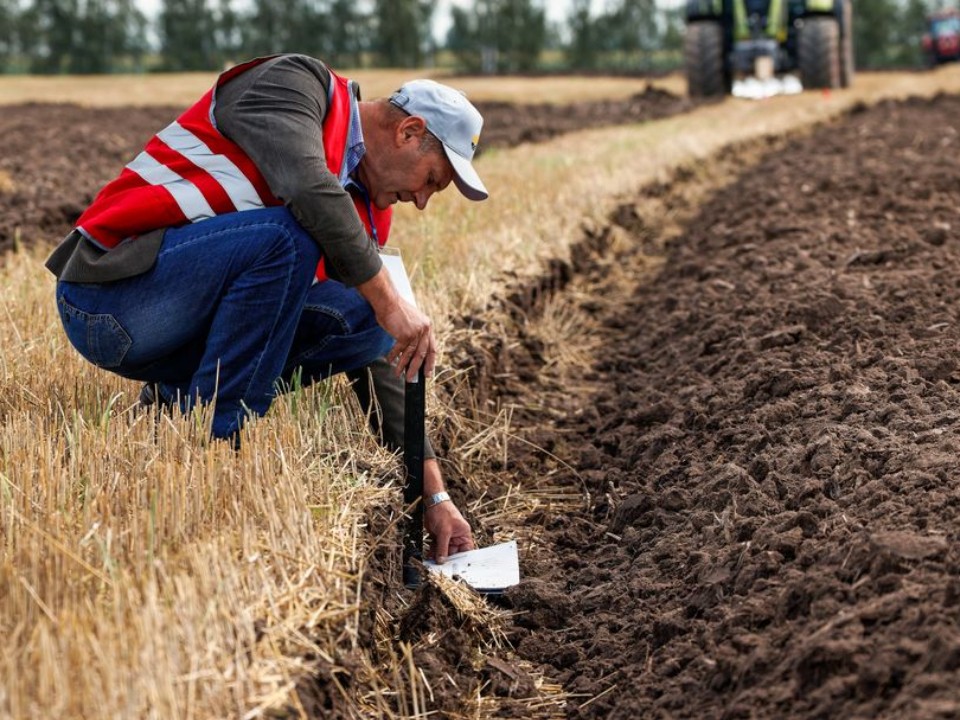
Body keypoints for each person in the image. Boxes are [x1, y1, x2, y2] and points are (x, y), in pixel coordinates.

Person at [44, 53, 488, 563]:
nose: (423, 200)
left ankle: (180, 397)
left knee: (363, 318)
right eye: (433, 180)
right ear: (409, 131)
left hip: (176, 335)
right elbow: (306, 187)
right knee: (295, 235)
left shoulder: (364, 213)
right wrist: (389, 300)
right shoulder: (294, 85)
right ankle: (218, 447)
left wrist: (433, 495)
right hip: (110, 301)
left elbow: (386, 355)